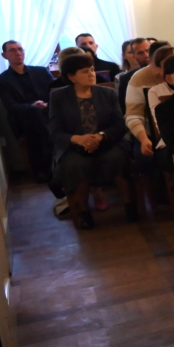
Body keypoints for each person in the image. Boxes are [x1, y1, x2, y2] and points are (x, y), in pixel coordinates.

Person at [48, 54, 133, 228]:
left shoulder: (108, 93)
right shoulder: (58, 97)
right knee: (76, 164)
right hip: (75, 146)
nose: (91, 74)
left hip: (106, 142)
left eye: (92, 70)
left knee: (117, 158)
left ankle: (130, 206)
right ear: (71, 77)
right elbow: (55, 131)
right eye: (85, 71)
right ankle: (84, 212)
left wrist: (101, 136)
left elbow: (120, 124)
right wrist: (79, 139)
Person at [0, 40, 55, 182]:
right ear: (4, 55)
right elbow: (10, 105)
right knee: (34, 116)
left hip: (48, 112)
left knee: (39, 120)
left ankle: (44, 170)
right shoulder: (2, 80)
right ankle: (51, 165)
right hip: (24, 118)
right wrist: (32, 106)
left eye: (20, 49)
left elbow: (56, 93)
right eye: (12, 50)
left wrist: (46, 104)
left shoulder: (41, 71)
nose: (18, 53)